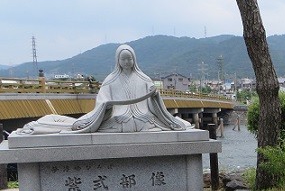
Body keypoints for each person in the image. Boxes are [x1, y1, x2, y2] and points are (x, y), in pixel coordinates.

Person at [15, 44, 191, 135]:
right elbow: (102, 101)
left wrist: (154, 95)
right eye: (124, 59)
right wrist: (105, 107)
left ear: (134, 59)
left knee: (172, 123)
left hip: (143, 118)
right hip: (117, 119)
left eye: (130, 59)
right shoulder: (110, 80)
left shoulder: (144, 78)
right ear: (118, 60)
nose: (127, 62)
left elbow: (154, 104)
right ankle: (49, 122)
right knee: (77, 125)